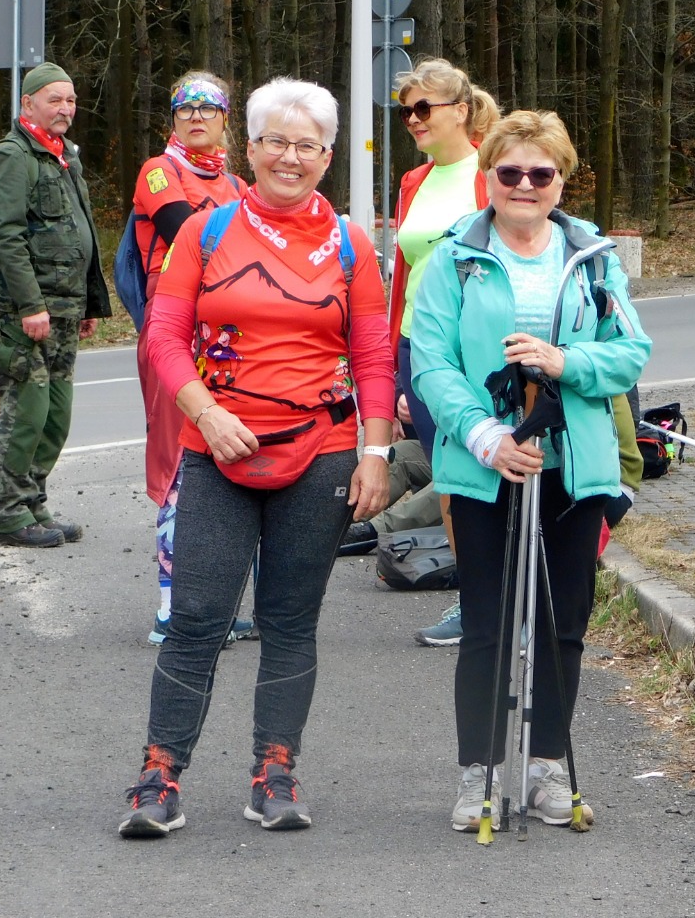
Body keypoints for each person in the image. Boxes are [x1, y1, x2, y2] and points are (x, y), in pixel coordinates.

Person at [118, 77, 396, 838]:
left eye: (308, 146)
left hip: (323, 452)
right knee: (196, 618)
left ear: (328, 157)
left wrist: (375, 452)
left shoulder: (351, 243)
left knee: (290, 620)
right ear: (251, 148)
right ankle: (158, 778)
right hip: (216, 448)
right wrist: (205, 412)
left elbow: (374, 354)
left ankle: (275, 773)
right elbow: (164, 335)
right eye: (277, 141)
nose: (290, 157)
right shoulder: (206, 233)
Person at [410, 109, 651, 832]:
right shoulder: (454, 258)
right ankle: (478, 773)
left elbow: (630, 353)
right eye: (509, 171)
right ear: (488, 177)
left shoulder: (593, 258)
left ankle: (546, 767)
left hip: (574, 464)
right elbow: (431, 364)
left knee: (561, 624)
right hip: (485, 464)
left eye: (539, 173)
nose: (524, 184)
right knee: (487, 624)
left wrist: (564, 361)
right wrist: (487, 437)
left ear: (561, 181)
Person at [130, 72, 246, 644]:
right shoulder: (159, 170)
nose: (196, 116)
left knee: (227, 460)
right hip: (175, 325)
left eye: (208, 108)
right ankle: (170, 606)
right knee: (179, 461)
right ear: (173, 118)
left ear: (226, 118)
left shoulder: (237, 183)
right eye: (185, 108)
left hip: (228, 328)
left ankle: (213, 603)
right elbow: (185, 230)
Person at [386, 59, 495, 646]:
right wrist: (392, 364)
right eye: (406, 110)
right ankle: (476, 601)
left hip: (470, 349)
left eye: (424, 108)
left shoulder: (493, 172)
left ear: (462, 110)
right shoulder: (413, 181)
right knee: (449, 480)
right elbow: (404, 276)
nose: (413, 119)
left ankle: (505, 600)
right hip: (415, 345)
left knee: (483, 474)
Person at [0, 62, 111, 548]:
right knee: (26, 413)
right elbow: (5, 235)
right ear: (28, 103)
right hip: (27, 313)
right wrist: (29, 305)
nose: (65, 108)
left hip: (65, 309)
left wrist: (88, 305)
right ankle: (8, 515)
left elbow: (81, 231)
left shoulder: (64, 156)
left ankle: (33, 503)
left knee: (56, 415)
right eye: (54, 99)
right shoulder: (14, 155)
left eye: (70, 100)